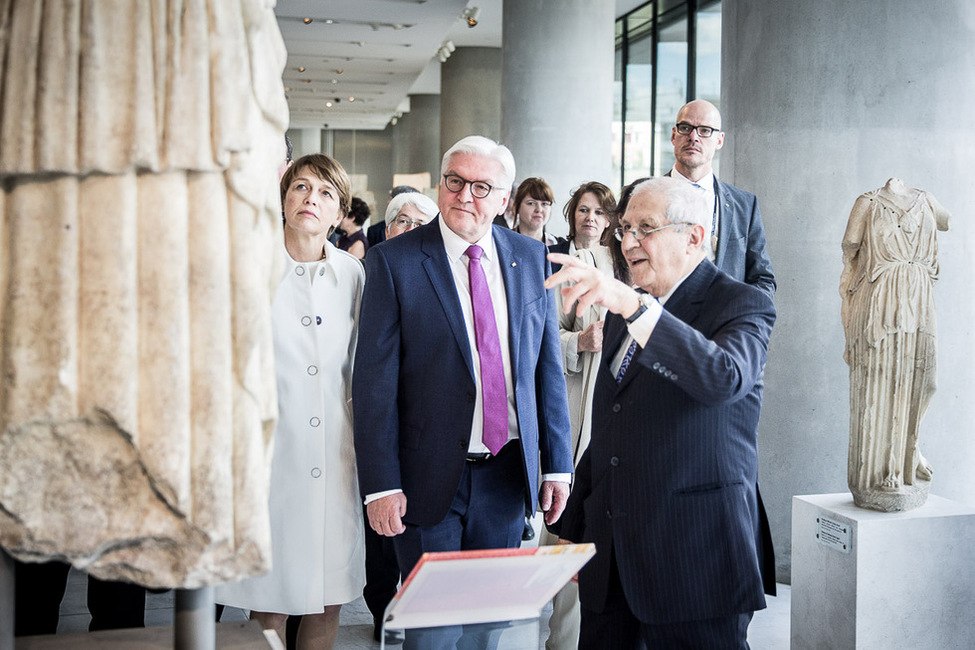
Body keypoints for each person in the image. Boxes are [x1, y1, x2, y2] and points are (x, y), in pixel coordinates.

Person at [547, 177, 775, 649]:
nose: (628, 242)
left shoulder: (741, 304)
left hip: (695, 564)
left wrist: (635, 308)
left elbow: (723, 378)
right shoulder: (620, 311)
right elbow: (613, 425)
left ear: (695, 235)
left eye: (645, 228)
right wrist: (574, 524)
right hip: (610, 567)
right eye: (625, 227)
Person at [352, 135, 574, 593]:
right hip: (424, 480)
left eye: (481, 187)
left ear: (504, 199)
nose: (464, 196)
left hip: (507, 477)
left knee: (487, 624)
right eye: (455, 181)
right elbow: (375, 385)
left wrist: (556, 466)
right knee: (432, 631)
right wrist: (381, 484)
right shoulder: (394, 262)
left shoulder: (532, 259)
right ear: (440, 184)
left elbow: (546, 370)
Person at [217, 154, 366, 650]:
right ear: (283, 199)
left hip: (336, 456)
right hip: (271, 458)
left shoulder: (354, 276)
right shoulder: (248, 267)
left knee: (329, 597)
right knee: (271, 600)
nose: (311, 200)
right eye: (300, 187)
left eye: (325, 193)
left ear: (339, 210)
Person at [357, 189, 439, 641]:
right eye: (401, 221)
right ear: (387, 231)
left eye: (419, 222)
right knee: (381, 536)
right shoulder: (370, 271)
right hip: (379, 430)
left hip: (428, 436)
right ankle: (382, 610)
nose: (409, 229)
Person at [840, 178, 950, 511]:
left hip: (919, 298)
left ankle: (908, 454)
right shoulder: (867, 202)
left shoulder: (927, 199)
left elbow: (947, 221)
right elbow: (850, 250)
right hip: (880, 297)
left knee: (922, 381)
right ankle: (877, 473)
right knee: (879, 382)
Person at [543, 182, 619, 650]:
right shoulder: (563, 267)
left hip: (615, 408)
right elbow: (544, 336)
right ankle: (558, 637)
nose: (590, 218)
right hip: (574, 405)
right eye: (583, 210)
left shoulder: (623, 267)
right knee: (563, 526)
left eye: (600, 212)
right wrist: (579, 343)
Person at [667, 99, 775, 297]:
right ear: (674, 135)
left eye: (705, 130)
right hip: (657, 323)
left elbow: (763, 279)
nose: (693, 137)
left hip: (721, 325)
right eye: (685, 128)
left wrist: (741, 320)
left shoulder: (745, 205)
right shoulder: (640, 196)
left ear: (719, 140)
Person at [513, 177, 561, 246]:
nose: (539, 209)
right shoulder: (502, 242)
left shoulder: (559, 246)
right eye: (531, 203)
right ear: (516, 207)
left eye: (544, 204)